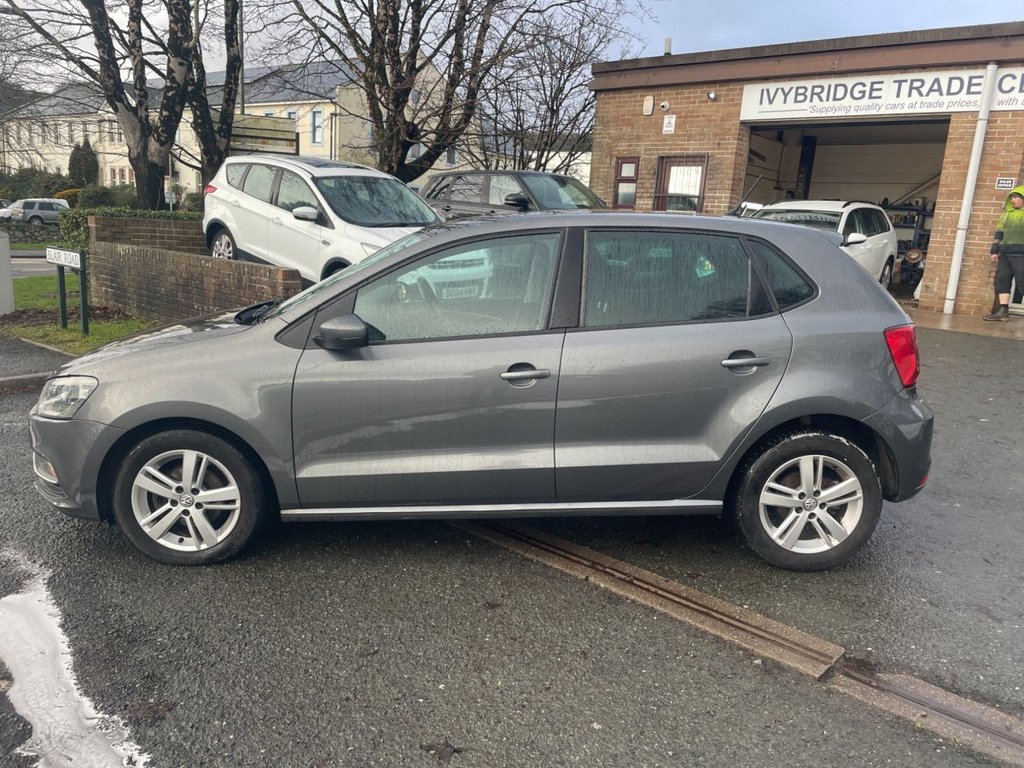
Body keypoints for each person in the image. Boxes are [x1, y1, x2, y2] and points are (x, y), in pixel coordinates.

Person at [986, 186, 1024, 321]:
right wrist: (994, 251)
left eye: (1016, 197)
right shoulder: (1006, 215)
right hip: (1005, 255)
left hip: (1021, 255)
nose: (1012, 200)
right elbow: (999, 233)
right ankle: (1003, 311)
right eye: (1011, 197)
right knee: (1002, 281)